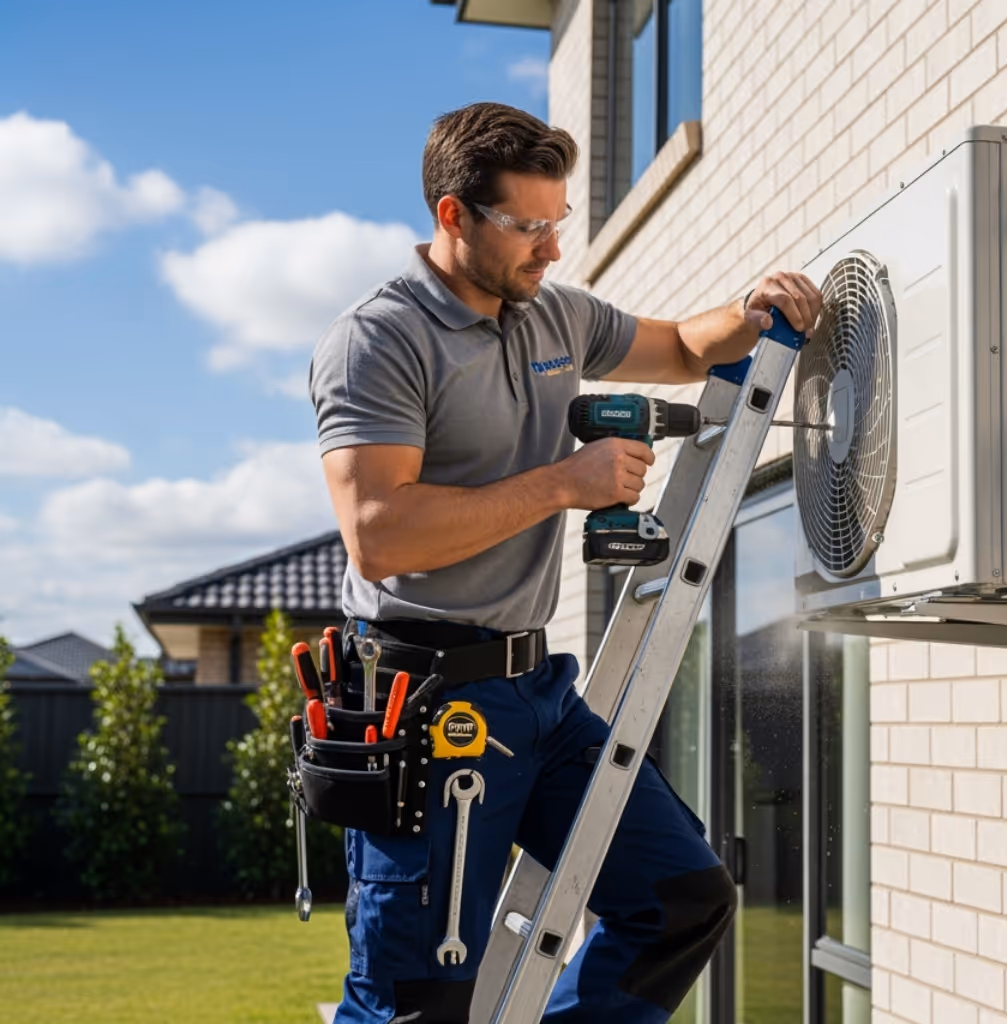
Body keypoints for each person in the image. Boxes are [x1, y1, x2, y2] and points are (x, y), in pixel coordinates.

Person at [309, 101, 823, 1024]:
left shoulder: (554, 315)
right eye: (528, 227)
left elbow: (678, 347)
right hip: (427, 709)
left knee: (681, 902)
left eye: (559, 224)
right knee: (416, 1001)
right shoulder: (378, 340)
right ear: (453, 216)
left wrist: (751, 313)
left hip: (538, 693)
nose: (550, 250)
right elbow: (380, 535)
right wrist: (561, 484)